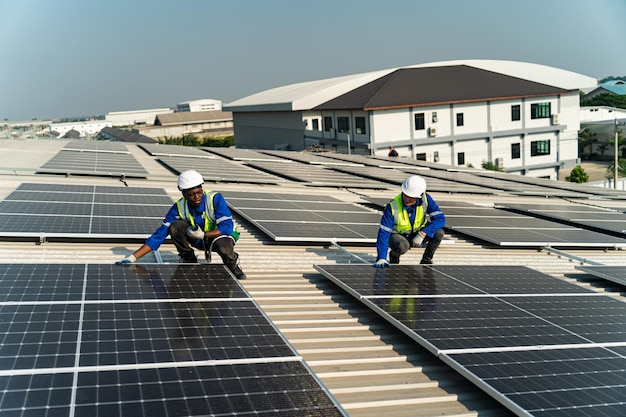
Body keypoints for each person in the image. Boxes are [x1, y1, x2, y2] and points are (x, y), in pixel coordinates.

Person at [115, 169, 246, 279]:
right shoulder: (179, 207)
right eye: (191, 195)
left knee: (223, 244)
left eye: (199, 192)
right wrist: (132, 258)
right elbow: (159, 235)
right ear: (183, 194)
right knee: (175, 226)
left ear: (202, 188)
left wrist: (204, 234)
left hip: (221, 237)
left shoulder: (215, 199)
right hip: (199, 239)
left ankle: (233, 266)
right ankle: (189, 260)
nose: (197, 197)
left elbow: (227, 228)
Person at [374, 175, 445, 267]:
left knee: (439, 233)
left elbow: (440, 219)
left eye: (411, 197)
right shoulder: (392, 206)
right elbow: (384, 232)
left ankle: (426, 260)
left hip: (417, 233)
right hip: (397, 236)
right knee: (402, 246)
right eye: (405, 195)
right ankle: (394, 255)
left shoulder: (426, 200)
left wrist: (423, 233)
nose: (407, 199)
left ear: (420, 196)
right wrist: (382, 258)